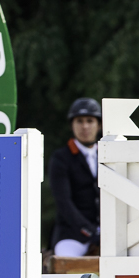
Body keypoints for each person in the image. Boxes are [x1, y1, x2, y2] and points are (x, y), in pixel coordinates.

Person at [49, 97, 102, 257]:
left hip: (108, 232)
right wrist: (90, 231)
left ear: (98, 125)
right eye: (79, 121)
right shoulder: (61, 158)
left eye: (89, 120)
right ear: (72, 125)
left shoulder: (108, 155)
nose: (85, 126)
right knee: (66, 260)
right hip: (72, 234)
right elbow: (64, 202)